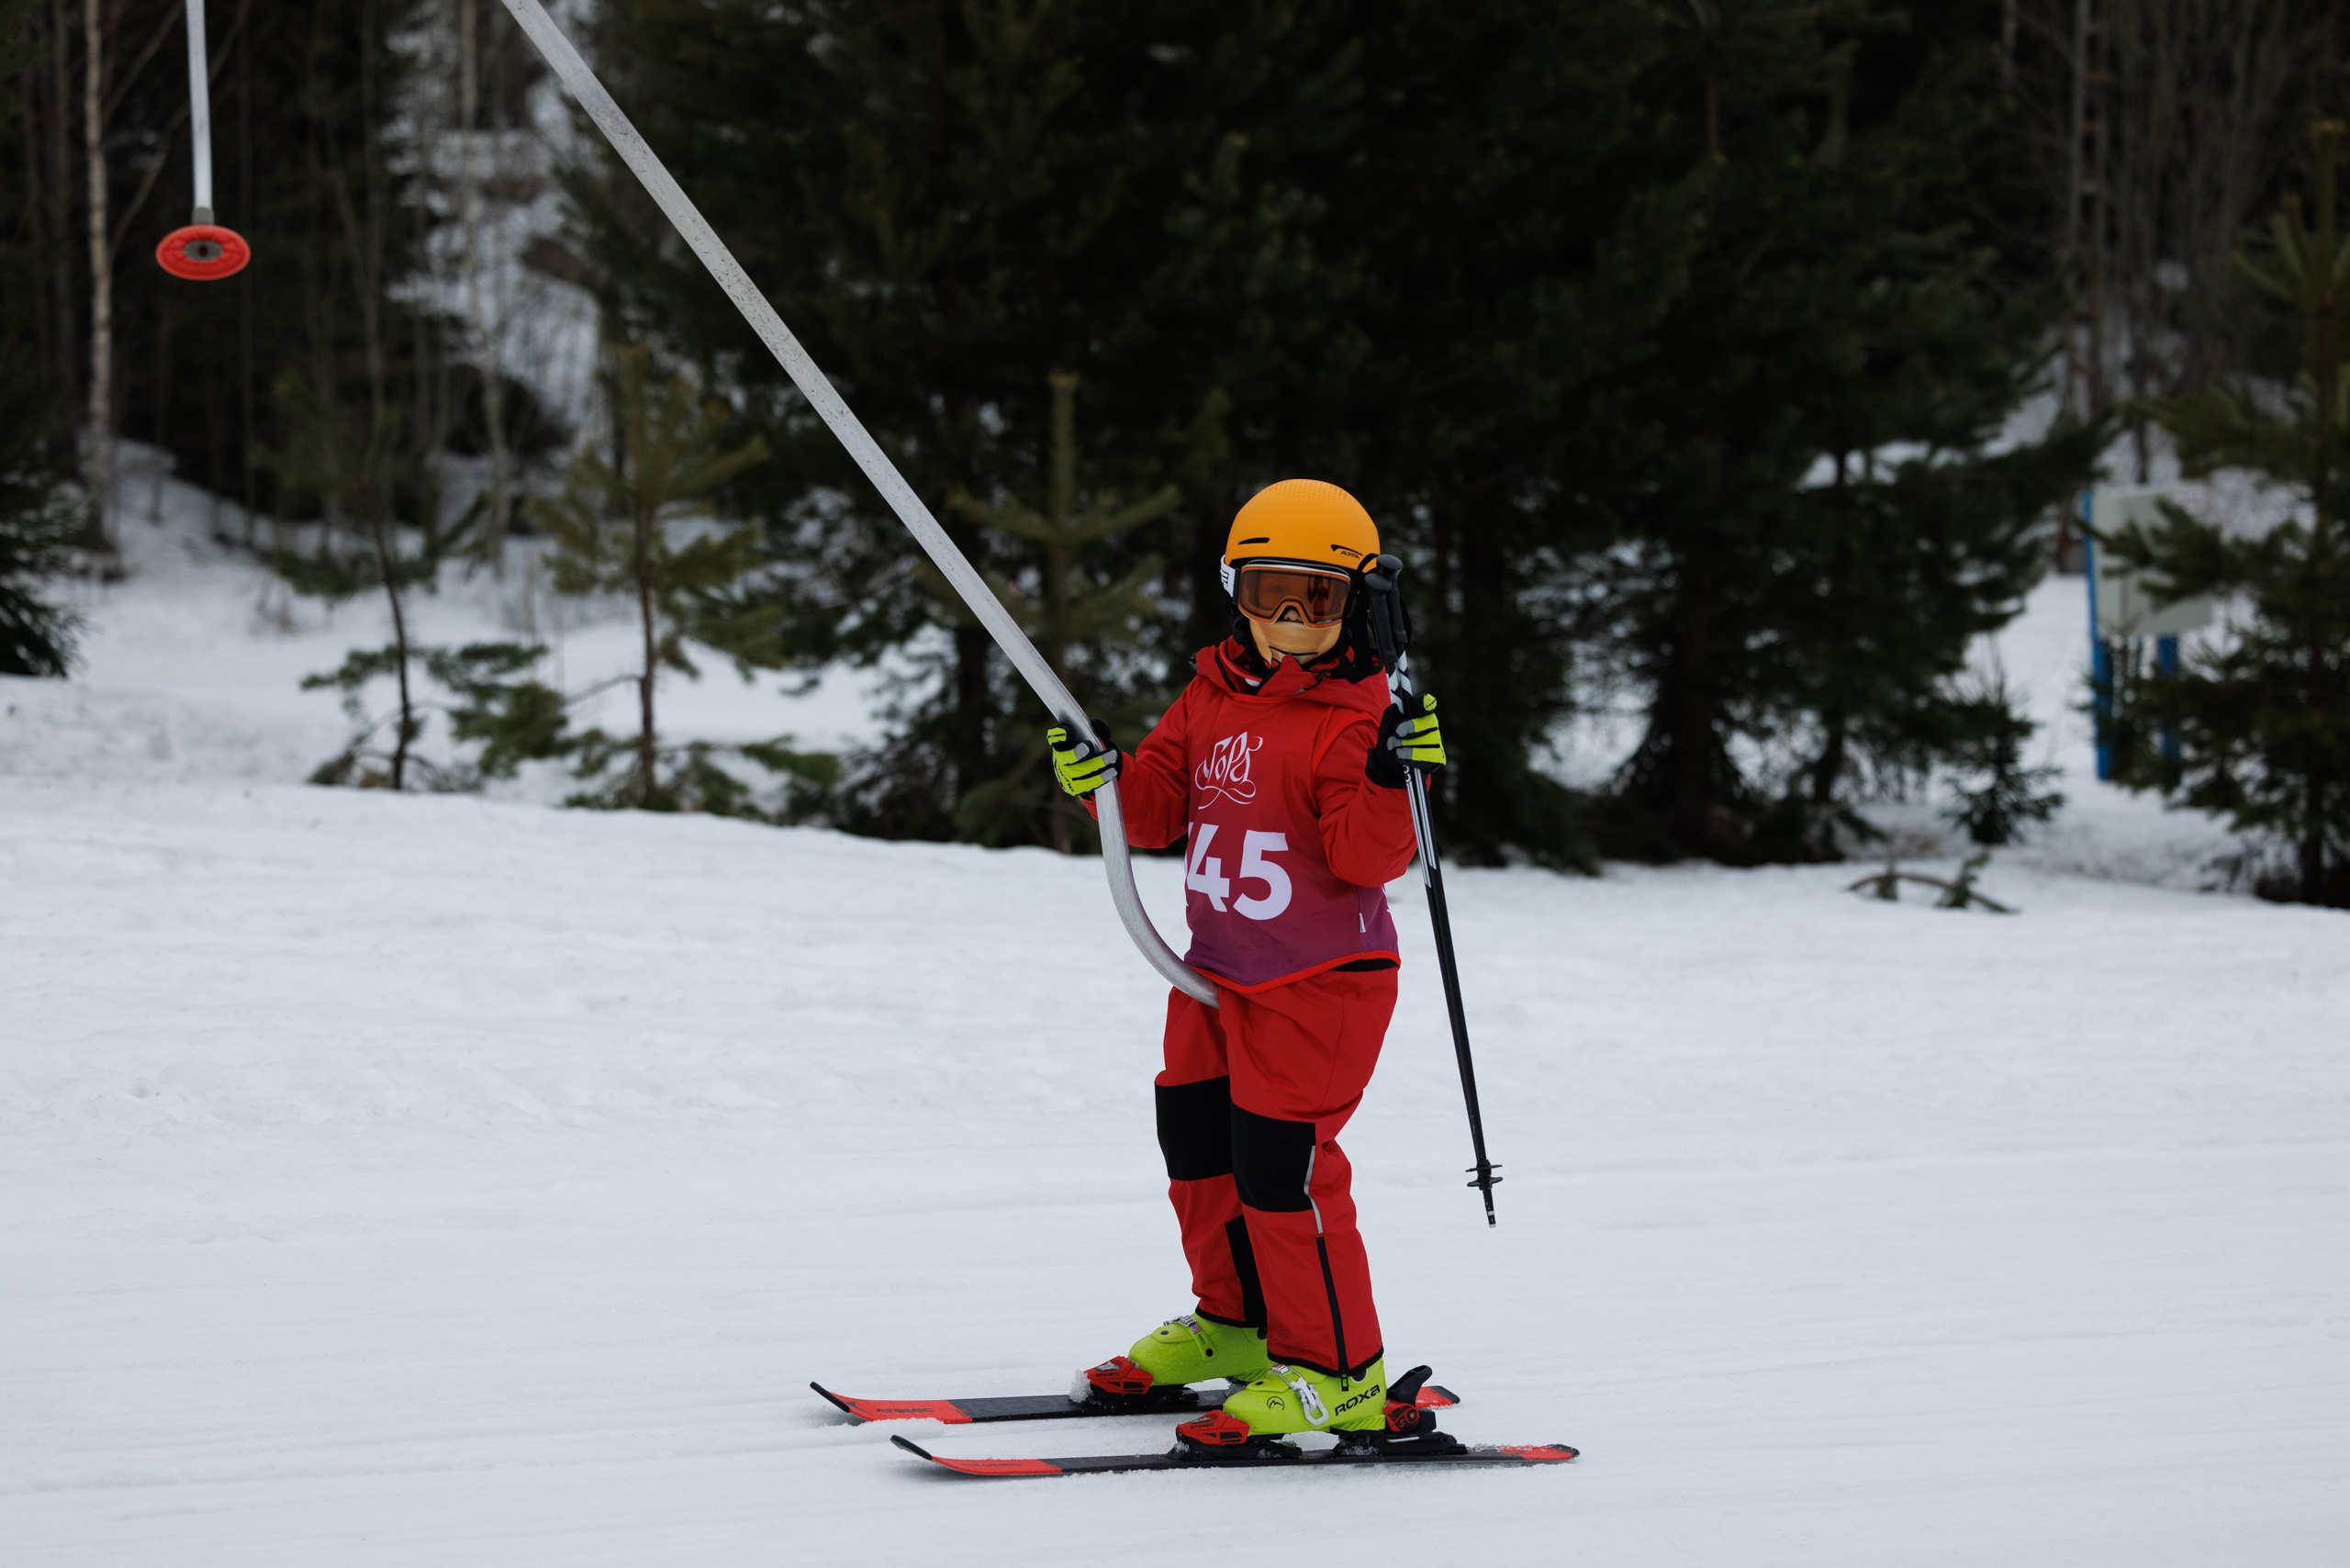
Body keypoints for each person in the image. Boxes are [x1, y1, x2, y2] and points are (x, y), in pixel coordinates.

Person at [1047, 477, 1445, 1445]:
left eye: (1317, 599)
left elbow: (1364, 859)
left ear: (1359, 607)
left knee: (1283, 1171)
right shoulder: (1212, 692)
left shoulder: (1359, 716)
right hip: (1216, 973)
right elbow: (1154, 809)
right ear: (1237, 591)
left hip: (1316, 985)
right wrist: (1101, 780)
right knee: (1195, 1146)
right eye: (1270, 594)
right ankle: (1238, 1325)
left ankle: (1340, 1371)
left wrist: (1397, 777)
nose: (1292, 623)